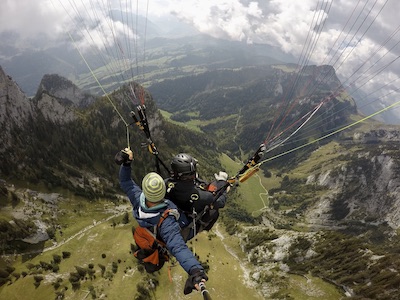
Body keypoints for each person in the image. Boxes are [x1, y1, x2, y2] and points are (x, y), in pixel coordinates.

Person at [116, 148, 208, 295]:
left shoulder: (138, 199)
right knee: (207, 216)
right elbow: (178, 247)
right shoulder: (167, 221)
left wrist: (126, 164)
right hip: (174, 231)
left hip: (155, 234)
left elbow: (126, 181)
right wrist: (195, 270)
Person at [164, 153, 229, 241]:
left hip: (169, 216)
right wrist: (222, 183)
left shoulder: (166, 184)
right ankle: (201, 227)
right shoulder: (201, 196)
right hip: (184, 228)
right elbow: (220, 202)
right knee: (214, 212)